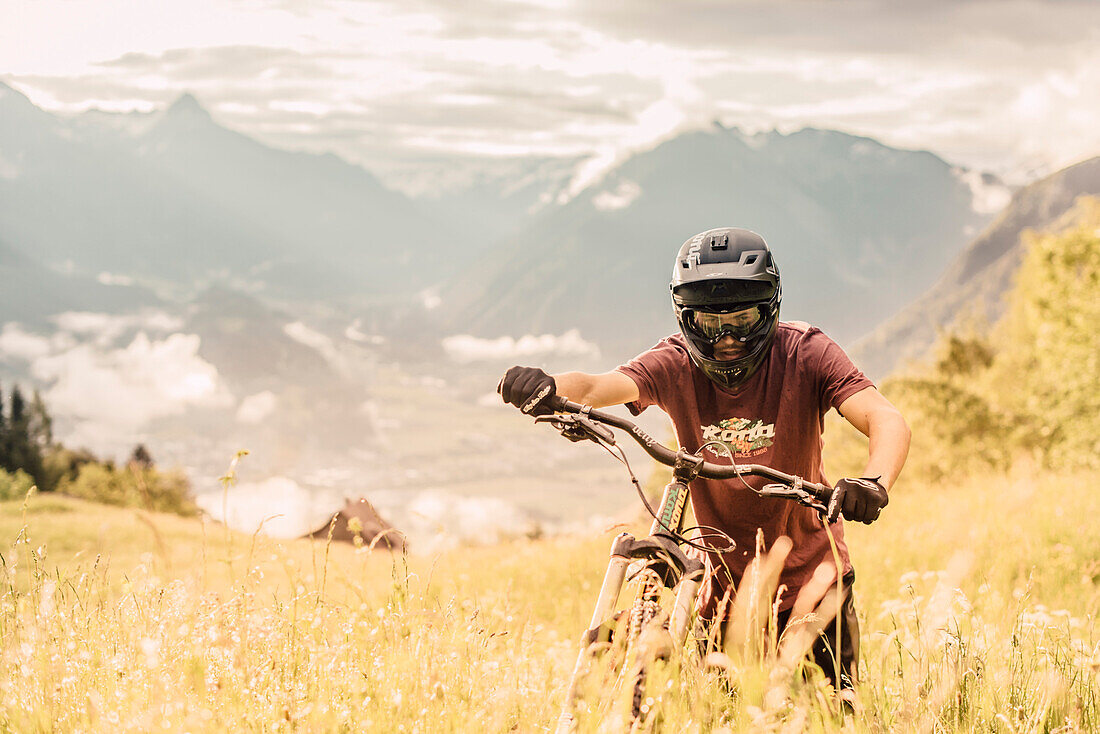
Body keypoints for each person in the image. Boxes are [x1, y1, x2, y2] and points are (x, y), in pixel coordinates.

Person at [497, 227, 910, 694]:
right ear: (685, 319)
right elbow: (595, 387)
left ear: (769, 308)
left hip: (814, 586)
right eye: (710, 324)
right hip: (722, 597)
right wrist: (549, 385)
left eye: (742, 319)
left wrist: (874, 482)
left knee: (832, 716)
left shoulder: (805, 353)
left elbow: (884, 416)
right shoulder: (674, 362)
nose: (728, 338)